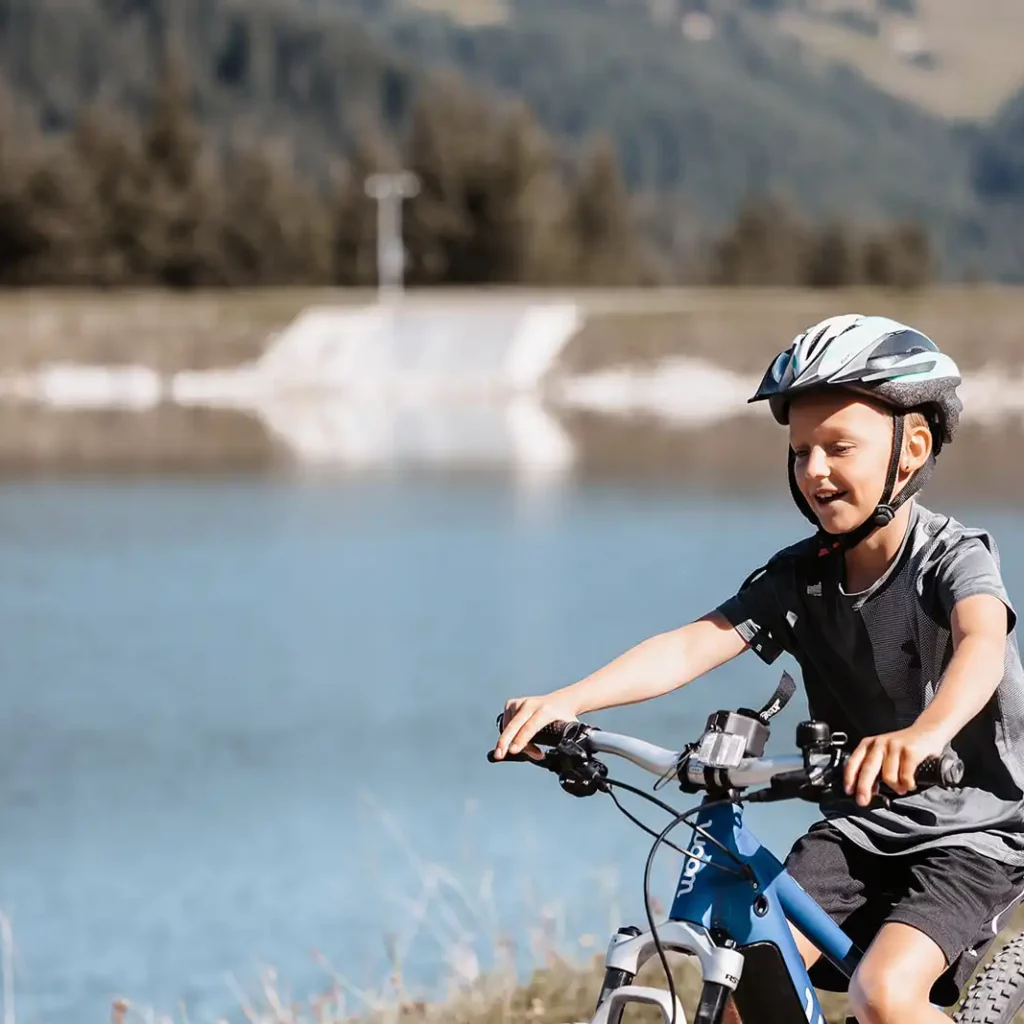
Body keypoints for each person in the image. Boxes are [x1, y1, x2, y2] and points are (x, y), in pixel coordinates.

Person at [493, 314, 1024, 1024]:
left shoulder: (952, 558)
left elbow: (981, 642)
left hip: (973, 832)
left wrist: (925, 735)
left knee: (884, 996)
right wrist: (570, 700)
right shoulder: (799, 578)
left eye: (839, 447)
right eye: (801, 452)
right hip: (859, 828)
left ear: (912, 449)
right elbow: (693, 644)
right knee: (743, 984)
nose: (815, 470)